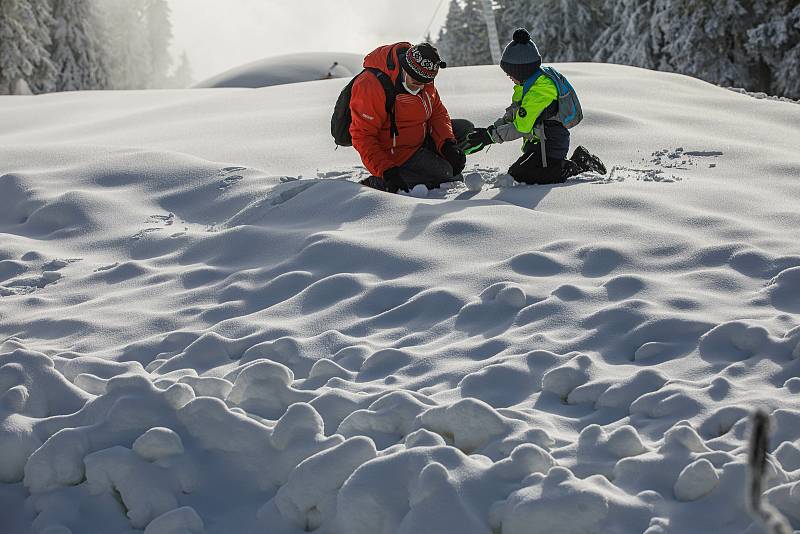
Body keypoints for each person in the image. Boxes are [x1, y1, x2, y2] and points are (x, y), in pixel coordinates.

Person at [460, 29, 606, 185]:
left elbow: (521, 126)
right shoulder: (526, 85)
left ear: (521, 70)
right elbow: (513, 115)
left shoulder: (540, 90)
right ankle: (570, 162)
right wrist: (489, 131)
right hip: (537, 144)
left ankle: (579, 164)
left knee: (520, 175)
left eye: (510, 72)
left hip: (549, 145)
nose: (508, 76)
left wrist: (491, 137)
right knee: (518, 173)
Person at [349, 42, 471, 193]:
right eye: (415, 83)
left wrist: (446, 144)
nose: (420, 88)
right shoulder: (371, 85)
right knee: (448, 175)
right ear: (405, 70)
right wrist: (386, 170)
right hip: (396, 152)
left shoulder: (424, 75)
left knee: (466, 129)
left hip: (420, 137)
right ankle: (378, 183)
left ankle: (425, 167)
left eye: (424, 84)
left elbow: (437, 112)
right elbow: (362, 136)